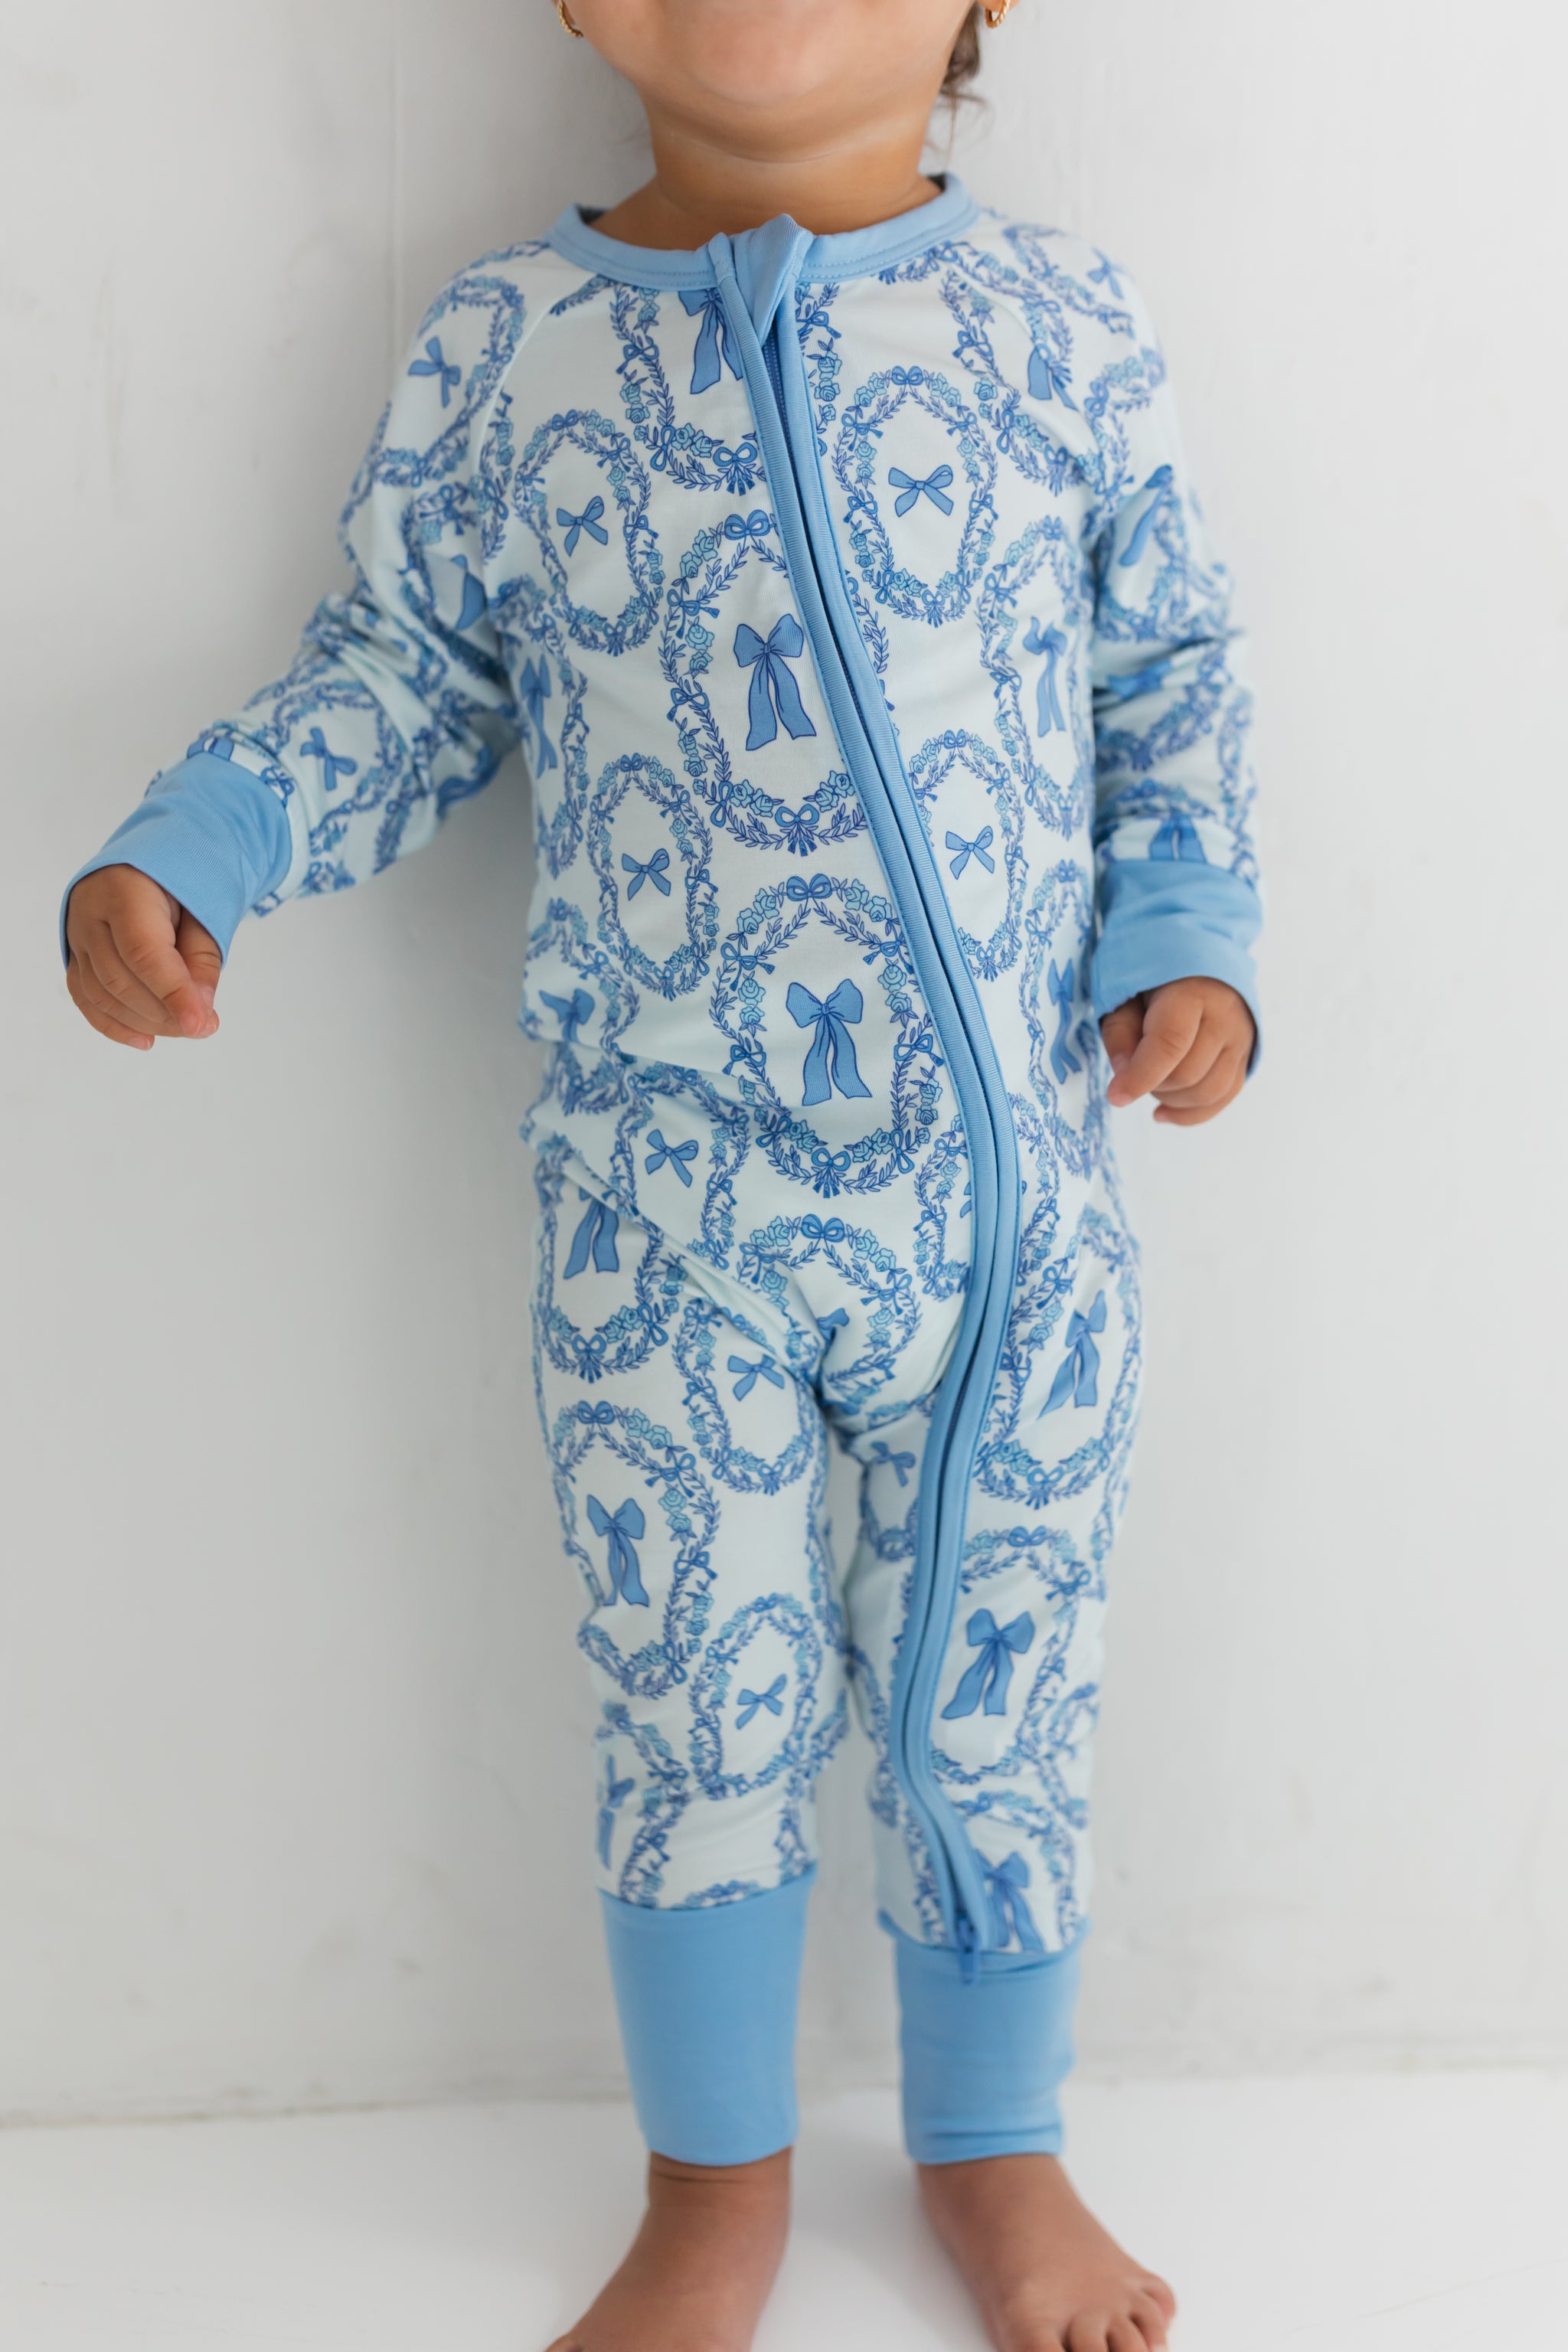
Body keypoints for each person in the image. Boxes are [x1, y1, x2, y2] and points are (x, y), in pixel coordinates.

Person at [60, 3, 1260, 2344]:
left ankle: (993, 2143)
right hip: (661, 1223)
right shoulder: (511, 352)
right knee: (691, 1701)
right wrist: (203, 840)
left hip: (1012, 1218)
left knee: (997, 1699)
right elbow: (401, 670)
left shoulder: (1056, 325)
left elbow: (1170, 667)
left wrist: (1191, 931)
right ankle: (712, 2189)